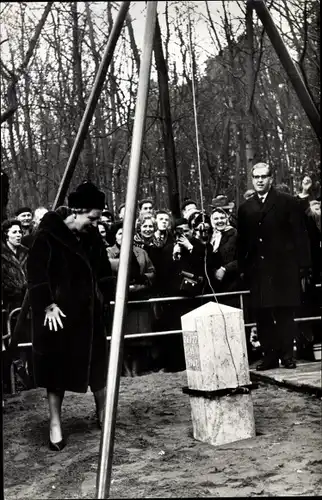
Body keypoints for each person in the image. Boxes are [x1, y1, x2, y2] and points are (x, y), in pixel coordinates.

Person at [26, 182, 114, 451]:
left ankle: (103, 414)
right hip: (59, 316)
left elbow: (103, 271)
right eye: (92, 218)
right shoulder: (48, 235)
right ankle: (55, 423)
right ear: (76, 212)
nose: (95, 223)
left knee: (98, 366)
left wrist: (106, 297)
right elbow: (36, 273)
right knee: (56, 371)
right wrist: (47, 305)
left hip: (89, 315)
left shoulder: (92, 237)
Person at [237, 162, 312, 371]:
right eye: (256, 177)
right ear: (252, 180)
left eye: (264, 176)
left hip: (283, 269)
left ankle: (288, 356)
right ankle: (269, 356)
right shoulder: (245, 208)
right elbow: (242, 242)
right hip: (258, 271)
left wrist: (303, 266)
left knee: (285, 313)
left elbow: (300, 235)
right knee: (262, 316)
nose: (260, 180)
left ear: (271, 179)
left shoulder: (287, 202)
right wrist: (243, 267)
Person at [107, 222, 156, 376]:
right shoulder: (108, 252)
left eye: (126, 233)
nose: (124, 236)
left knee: (139, 337)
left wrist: (143, 281)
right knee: (122, 337)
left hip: (139, 299)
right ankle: (125, 370)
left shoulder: (141, 252)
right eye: (120, 233)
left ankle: (136, 369)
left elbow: (152, 271)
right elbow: (106, 276)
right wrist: (122, 287)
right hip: (120, 300)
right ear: (115, 236)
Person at [1, 219, 31, 390]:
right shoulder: (2, 256)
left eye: (20, 232)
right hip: (11, 306)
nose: (18, 235)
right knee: (13, 342)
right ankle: (14, 380)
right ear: (6, 235)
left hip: (29, 305)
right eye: (14, 232)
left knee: (29, 342)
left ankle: (29, 378)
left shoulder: (27, 252)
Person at [210, 207, 239, 294]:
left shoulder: (235, 234)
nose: (219, 221)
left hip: (232, 281)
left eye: (222, 218)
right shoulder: (211, 236)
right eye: (216, 219)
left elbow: (243, 258)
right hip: (214, 282)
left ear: (227, 219)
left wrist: (224, 269)